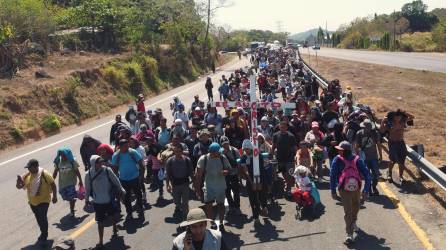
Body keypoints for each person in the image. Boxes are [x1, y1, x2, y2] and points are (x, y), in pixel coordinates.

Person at [330, 141, 371, 244]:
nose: (338, 150)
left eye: (340, 149)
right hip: (344, 190)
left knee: (356, 208)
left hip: (356, 189)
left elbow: (367, 175)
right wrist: (333, 190)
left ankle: (353, 222)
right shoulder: (337, 159)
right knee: (348, 212)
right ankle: (349, 234)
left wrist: (366, 190)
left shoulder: (357, 159)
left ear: (345, 151)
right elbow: (332, 175)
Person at [85, 155, 126, 249]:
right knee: (100, 222)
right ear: (93, 164)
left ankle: (115, 228)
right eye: (99, 162)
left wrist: (122, 189)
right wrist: (86, 200)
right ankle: (101, 241)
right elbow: (87, 189)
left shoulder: (107, 170)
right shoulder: (88, 174)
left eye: (101, 162)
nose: (101, 164)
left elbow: (116, 180)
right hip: (98, 202)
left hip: (109, 199)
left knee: (113, 216)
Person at [16, 159, 57, 245]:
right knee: (39, 218)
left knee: (42, 217)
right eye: (28, 168)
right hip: (32, 202)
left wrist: (55, 196)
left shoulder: (44, 174)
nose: (28, 169)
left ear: (36, 166)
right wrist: (18, 182)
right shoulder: (27, 176)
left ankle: (44, 235)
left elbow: (53, 184)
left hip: (44, 201)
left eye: (30, 167)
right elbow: (19, 187)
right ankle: (43, 232)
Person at [195, 143, 231, 232]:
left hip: (221, 186)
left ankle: (221, 223)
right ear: (212, 152)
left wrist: (226, 172)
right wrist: (198, 189)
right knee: (208, 206)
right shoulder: (204, 159)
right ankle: (212, 223)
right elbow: (199, 176)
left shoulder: (222, 157)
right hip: (208, 187)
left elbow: (229, 169)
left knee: (221, 205)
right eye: (218, 152)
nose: (219, 153)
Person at [111, 139, 145, 219]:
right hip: (123, 179)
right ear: (120, 147)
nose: (127, 147)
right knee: (126, 198)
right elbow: (115, 169)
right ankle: (129, 213)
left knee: (138, 194)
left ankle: (140, 208)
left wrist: (141, 176)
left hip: (135, 177)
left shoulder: (133, 152)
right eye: (125, 146)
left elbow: (141, 163)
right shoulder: (116, 155)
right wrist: (116, 181)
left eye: (127, 145)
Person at [380, 109, 414, 184]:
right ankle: (389, 173)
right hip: (392, 143)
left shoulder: (403, 122)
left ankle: (401, 176)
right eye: (397, 116)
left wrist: (404, 112)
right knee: (393, 160)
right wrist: (383, 121)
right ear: (393, 117)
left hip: (401, 143)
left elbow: (412, 117)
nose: (399, 118)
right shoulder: (389, 123)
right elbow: (381, 131)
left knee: (402, 161)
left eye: (400, 116)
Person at [240, 139, 268, 225]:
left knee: (262, 196)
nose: (246, 151)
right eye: (244, 149)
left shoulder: (258, 155)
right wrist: (251, 182)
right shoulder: (243, 158)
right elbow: (245, 170)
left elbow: (262, 168)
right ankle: (256, 218)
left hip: (261, 179)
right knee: (253, 199)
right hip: (250, 180)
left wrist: (261, 181)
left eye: (247, 149)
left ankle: (264, 208)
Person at [52, 147, 83, 217]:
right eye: (61, 155)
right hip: (62, 184)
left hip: (71, 183)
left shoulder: (72, 161)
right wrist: (51, 181)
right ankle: (74, 196)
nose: (62, 156)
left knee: (71, 197)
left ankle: (72, 210)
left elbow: (77, 171)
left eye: (64, 155)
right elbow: (55, 172)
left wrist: (80, 181)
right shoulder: (58, 162)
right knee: (64, 196)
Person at [165, 144, 194, 219]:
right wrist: (167, 185)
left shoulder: (187, 160)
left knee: (185, 203)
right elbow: (167, 174)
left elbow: (191, 173)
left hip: (185, 184)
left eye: (179, 151)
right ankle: (178, 206)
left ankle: (186, 218)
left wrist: (194, 183)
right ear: (174, 152)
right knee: (176, 201)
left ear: (182, 151)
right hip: (175, 184)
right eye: (176, 151)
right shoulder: (170, 161)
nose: (178, 153)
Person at [355, 119, 382, 196]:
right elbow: (356, 146)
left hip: (374, 157)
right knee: (367, 175)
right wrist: (357, 158)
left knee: (376, 174)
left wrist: (381, 155)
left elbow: (378, 144)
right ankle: (368, 188)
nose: (366, 129)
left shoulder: (375, 133)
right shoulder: (359, 134)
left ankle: (374, 186)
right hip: (364, 158)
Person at [272, 121, 297, 195]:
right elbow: (274, 145)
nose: (282, 128)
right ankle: (287, 184)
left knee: (289, 174)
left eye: (284, 127)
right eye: (281, 127)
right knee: (283, 173)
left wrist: (296, 156)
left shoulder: (291, 136)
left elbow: (295, 147)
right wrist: (271, 153)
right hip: (280, 158)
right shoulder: (275, 135)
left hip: (289, 158)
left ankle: (288, 189)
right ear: (279, 127)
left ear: (286, 127)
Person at [220, 136, 241, 215]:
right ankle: (231, 207)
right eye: (223, 144)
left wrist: (239, 175)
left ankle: (237, 207)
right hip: (225, 175)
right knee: (227, 192)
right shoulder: (220, 153)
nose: (225, 145)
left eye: (226, 143)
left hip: (234, 173)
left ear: (228, 142)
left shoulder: (234, 150)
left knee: (236, 191)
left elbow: (239, 163)